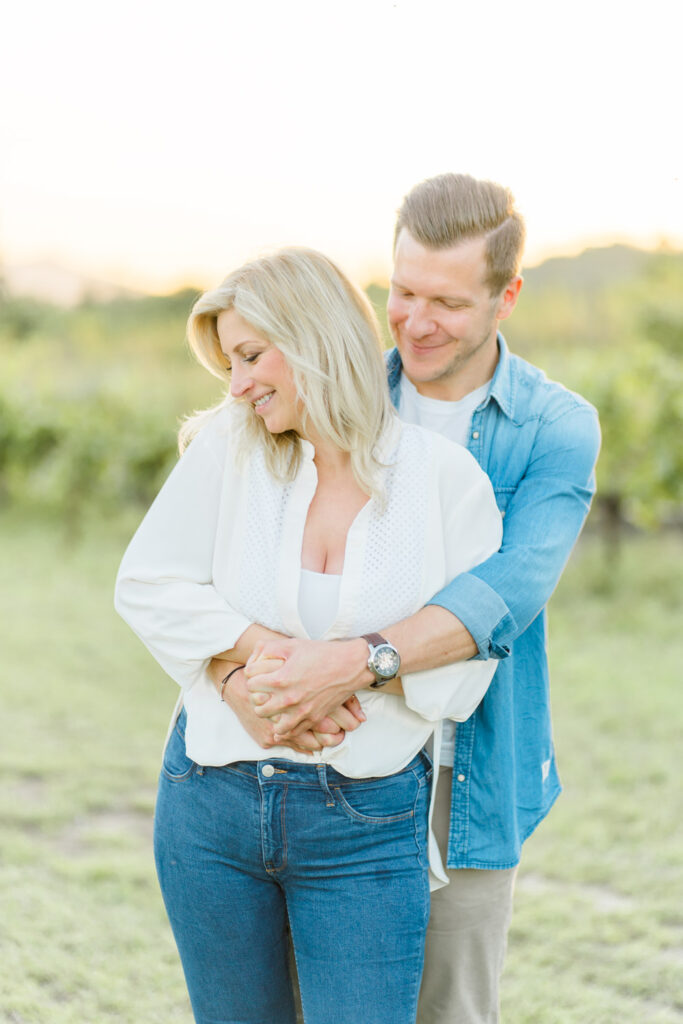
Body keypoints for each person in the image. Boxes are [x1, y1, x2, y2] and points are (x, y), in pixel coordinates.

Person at [226, 175, 602, 1023]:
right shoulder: (331, 391)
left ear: (506, 297)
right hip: (312, 758)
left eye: (446, 301)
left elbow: (512, 589)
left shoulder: (555, 426)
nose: (415, 320)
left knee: (448, 1011)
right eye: (401, 292)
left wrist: (354, 664)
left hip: (464, 777)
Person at [114, 246, 504, 1024]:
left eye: (252, 356)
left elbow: (466, 664)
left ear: (316, 338)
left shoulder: (444, 479)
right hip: (209, 803)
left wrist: (345, 674)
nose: (236, 384)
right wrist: (258, 674)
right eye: (228, 363)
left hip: (364, 824)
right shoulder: (230, 449)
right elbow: (148, 584)